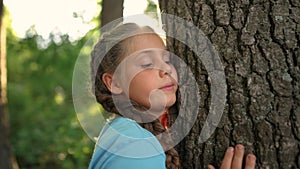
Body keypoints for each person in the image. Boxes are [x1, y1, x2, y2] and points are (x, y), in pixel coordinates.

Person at [89, 22, 256, 169]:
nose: (167, 69)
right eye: (147, 63)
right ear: (115, 83)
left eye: (167, 60)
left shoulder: (126, 133)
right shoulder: (135, 143)